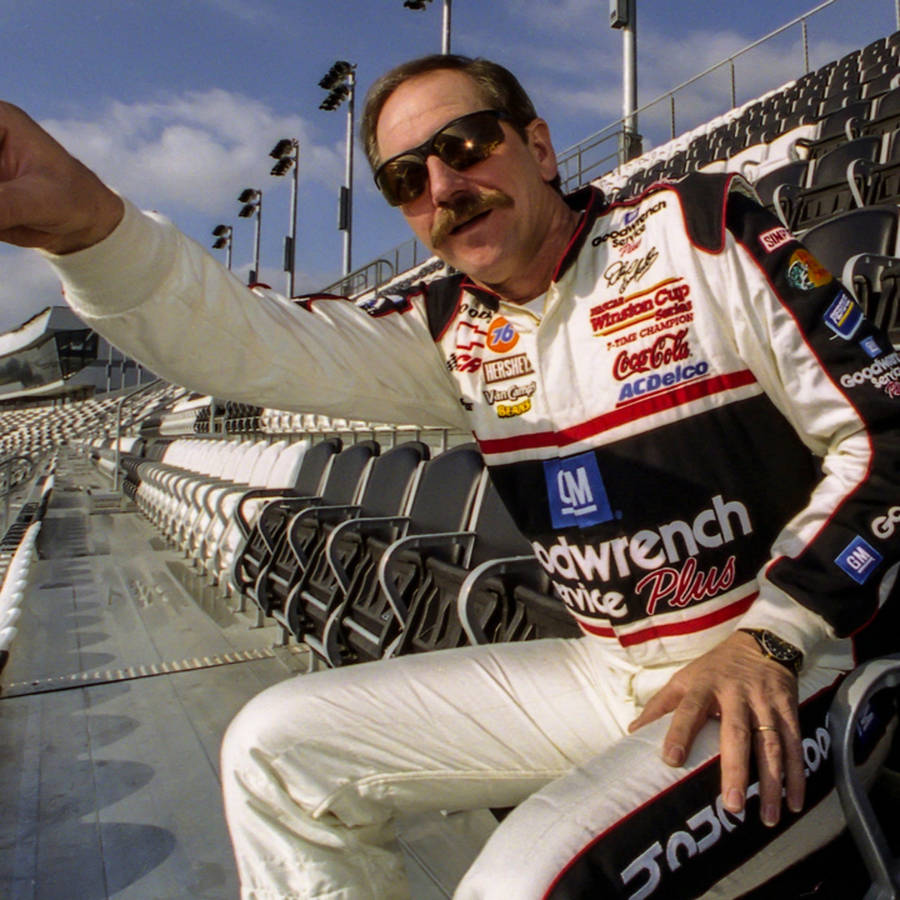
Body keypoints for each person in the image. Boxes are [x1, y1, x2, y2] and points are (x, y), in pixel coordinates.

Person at [0, 52, 898, 898]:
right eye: (405, 179)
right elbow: (246, 340)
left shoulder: (699, 229)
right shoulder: (447, 326)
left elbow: (888, 439)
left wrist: (773, 634)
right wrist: (90, 227)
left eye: (464, 145)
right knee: (276, 751)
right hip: (610, 668)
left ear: (538, 146)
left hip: (800, 667)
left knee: (521, 881)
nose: (442, 187)